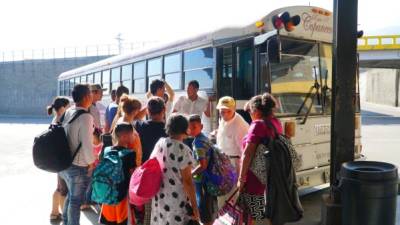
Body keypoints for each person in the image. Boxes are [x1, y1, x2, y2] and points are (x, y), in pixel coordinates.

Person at [238, 93, 282, 224]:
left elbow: (248, 153)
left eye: (251, 112)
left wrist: (241, 178)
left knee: (255, 213)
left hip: (255, 177)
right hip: (270, 174)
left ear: (256, 111)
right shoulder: (276, 123)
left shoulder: (258, 125)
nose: (250, 115)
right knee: (265, 211)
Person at [150, 114, 200, 225]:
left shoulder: (160, 143)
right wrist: (195, 207)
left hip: (160, 196)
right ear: (184, 129)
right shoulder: (182, 149)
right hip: (176, 200)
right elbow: (187, 181)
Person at [59, 84, 95, 225]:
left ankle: (66, 221)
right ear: (86, 97)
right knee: (75, 202)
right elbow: (86, 144)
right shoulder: (86, 116)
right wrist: (91, 163)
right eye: (91, 94)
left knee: (71, 197)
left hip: (65, 163)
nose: (92, 96)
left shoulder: (69, 111)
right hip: (78, 166)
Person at [213, 96, 249, 208]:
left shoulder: (240, 125)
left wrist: (242, 176)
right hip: (221, 164)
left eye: (227, 111)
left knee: (232, 198)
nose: (224, 114)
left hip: (234, 165)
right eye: (221, 111)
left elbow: (245, 152)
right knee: (222, 198)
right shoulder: (223, 119)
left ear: (233, 110)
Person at [99, 122, 138, 225]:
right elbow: (132, 175)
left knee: (109, 221)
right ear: (124, 136)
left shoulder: (107, 150)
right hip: (122, 196)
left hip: (108, 195)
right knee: (123, 220)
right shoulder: (130, 153)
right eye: (132, 134)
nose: (134, 136)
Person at [188, 114, 217, 225]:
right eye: (189, 127)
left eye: (194, 127)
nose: (191, 130)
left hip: (203, 180)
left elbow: (203, 165)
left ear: (201, 126)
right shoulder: (204, 138)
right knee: (209, 208)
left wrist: (190, 174)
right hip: (210, 179)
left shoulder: (199, 143)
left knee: (204, 212)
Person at [47, 96, 71, 221]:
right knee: (63, 190)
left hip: (56, 159)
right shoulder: (61, 120)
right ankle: (64, 216)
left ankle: (54, 212)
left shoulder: (54, 119)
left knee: (59, 187)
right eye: (68, 106)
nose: (70, 108)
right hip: (61, 160)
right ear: (62, 107)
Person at [111, 94, 143, 166]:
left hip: (123, 161)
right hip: (129, 164)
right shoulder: (127, 126)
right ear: (135, 111)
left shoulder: (120, 120)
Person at [134, 96, 168, 164]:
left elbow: (135, 117)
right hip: (163, 168)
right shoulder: (170, 129)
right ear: (164, 110)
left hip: (144, 167)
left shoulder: (139, 125)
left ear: (148, 111)